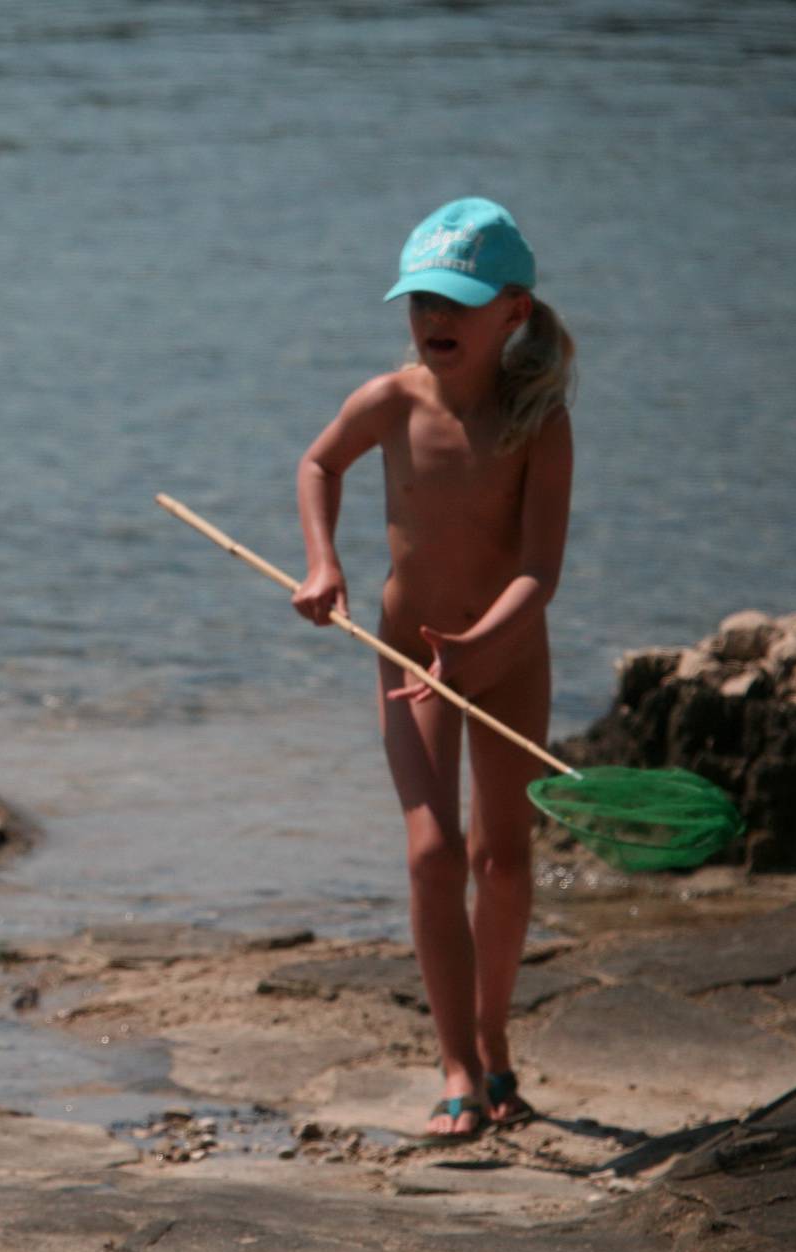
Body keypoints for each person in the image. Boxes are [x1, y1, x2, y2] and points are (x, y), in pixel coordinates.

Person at [290, 199, 575, 1141]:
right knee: (431, 852)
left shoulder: (540, 422)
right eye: (420, 299)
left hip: (506, 659)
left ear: (513, 312)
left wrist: (482, 644)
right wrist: (324, 562)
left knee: (502, 859)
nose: (433, 319)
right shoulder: (391, 401)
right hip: (405, 653)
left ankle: (494, 1043)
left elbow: (541, 570)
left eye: (456, 301)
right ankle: (454, 1062)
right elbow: (319, 466)